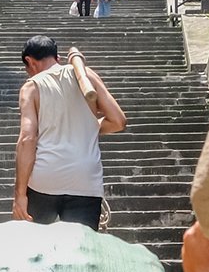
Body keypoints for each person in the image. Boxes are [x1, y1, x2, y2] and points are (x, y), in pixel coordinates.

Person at [13, 36, 125, 228]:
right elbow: (118, 121)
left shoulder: (31, 87)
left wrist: (20, 195)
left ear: (29, 61)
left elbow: (27, 139)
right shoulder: (86, 76)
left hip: (44, 180)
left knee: (35, 249)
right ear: (57, 57)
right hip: (85, 181)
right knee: (81, 252)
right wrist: (88, 126)